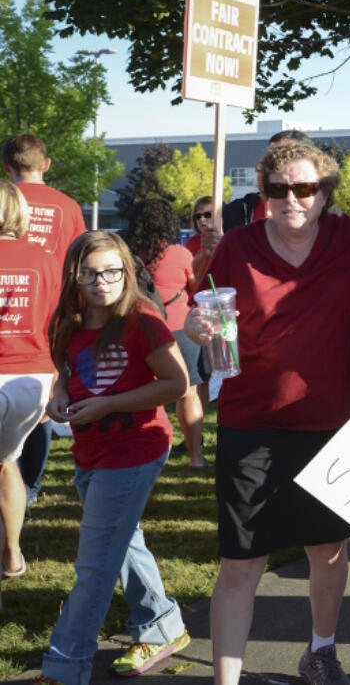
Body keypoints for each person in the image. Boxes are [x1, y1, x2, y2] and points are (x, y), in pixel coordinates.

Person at [185, 140, 350, 685]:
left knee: (327, 549)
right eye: (278, 189)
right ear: (264, 192)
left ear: (324, 192)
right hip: (252, 423)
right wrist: (196, 329)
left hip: (331, 422)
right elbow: (202, 313)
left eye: (304, 188)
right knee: (241, 560)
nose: (291, 199)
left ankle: (321, 651)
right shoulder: (238, 246)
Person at [37, 231, 191, 684]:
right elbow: (65, 371)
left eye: (111, 271)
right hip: (90, 450)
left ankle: (65, 668)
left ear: (126, 271)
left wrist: (109, 404)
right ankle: (162, 625)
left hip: (135, 449)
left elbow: (176, 382)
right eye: (89, 273)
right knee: (121, 541)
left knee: (94, 567)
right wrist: (58, 395)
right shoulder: (69, 320)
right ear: (74, 276)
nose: (101, 281)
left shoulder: (142, 320)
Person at [4, 133, 87, 513]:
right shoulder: (68, 206)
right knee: (40, 407)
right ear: (47, 164)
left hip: (14, 312)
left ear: (7, 167)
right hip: (53, 313)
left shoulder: (4, 202)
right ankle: (31, 484)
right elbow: (81, 260)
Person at [0, 182, 59, 581]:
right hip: (33, 379)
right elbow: (60, 325)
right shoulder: (46, 259)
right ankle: (13, 553)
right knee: (6, 462)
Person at [124, 198, 208, 468]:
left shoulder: (125, 254)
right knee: (189, 393)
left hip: (138, 332)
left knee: (138, 395)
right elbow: (197, 287)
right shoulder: (179, 253)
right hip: (180, 330)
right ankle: (196, 457)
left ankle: (140, 455)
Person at [220, 129, 308, 230]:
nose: (277, 160)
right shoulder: (237, 210)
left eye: (287, 154)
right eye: (271, 155)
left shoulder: (322, 216)